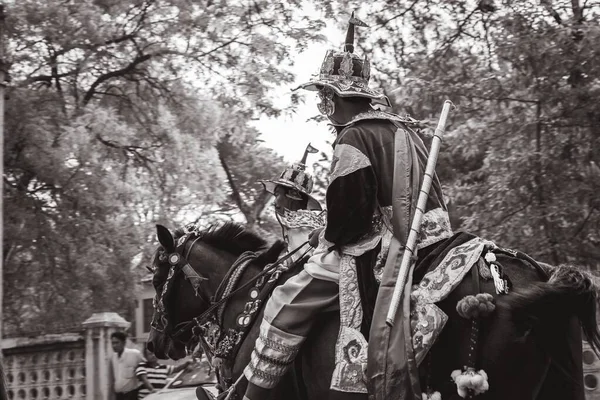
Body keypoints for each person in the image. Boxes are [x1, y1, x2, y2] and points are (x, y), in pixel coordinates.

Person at [242, 12, 453, 400]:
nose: (324, 104)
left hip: (387, 245)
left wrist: (326, 235)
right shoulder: (405, 128)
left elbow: (349, 223)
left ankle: (257, 393)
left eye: (324, 95)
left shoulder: (354, 136)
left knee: (284, 299)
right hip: (438, 237)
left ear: (332, 98)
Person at [258, 143, 325, 265]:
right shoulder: (307, 221)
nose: (274, 202)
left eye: (277, 195)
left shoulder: (300, 224)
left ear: (293, 195)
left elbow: (304, 262)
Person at [109, 331, 145, 400]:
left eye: (117, 343)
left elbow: (145, 369)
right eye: (112, 343)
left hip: (131, 395)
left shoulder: (135, 354)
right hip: (118, 396)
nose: (114, 346)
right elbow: (112, 379)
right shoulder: (113, 358)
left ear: (124, 343)